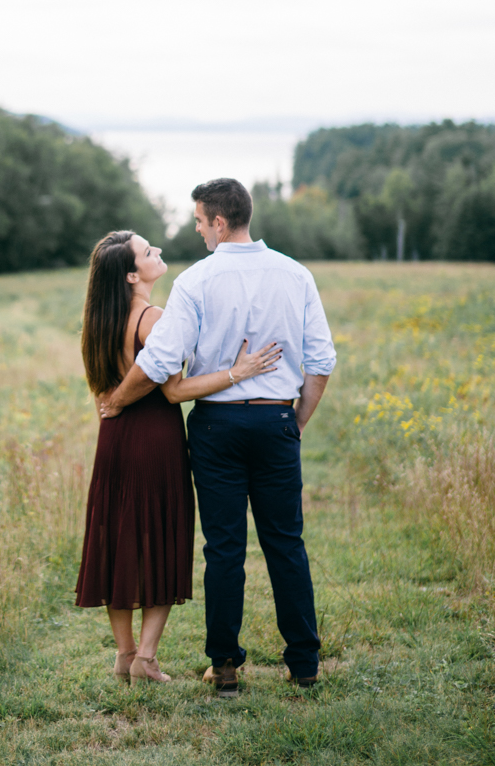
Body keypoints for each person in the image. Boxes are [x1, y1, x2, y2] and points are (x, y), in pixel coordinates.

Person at [100, 179, 336, 698]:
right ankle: (304, 662)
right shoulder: (296, 275)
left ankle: (225, 666)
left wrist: (116, 401)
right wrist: (294, 421)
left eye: (201, 222)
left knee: (224, 547)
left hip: (215, 426)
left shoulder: (195, 281)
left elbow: (160, 362)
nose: (199, 231)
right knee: (286, 543)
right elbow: (321, 361)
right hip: (275, 422)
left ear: (220, 222)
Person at [75, 228, 282, 685]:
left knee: (120, 540)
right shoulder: (153, 319)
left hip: (113, 439)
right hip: (153, 440)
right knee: (158, 539)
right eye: (149, 252)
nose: (159, 252)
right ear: (132, 275)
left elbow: (104, 395)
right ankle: (146, 658)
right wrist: (237, 372)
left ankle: (125, 653)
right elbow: (173, 391)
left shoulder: (99, 321)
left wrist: (117, 408)